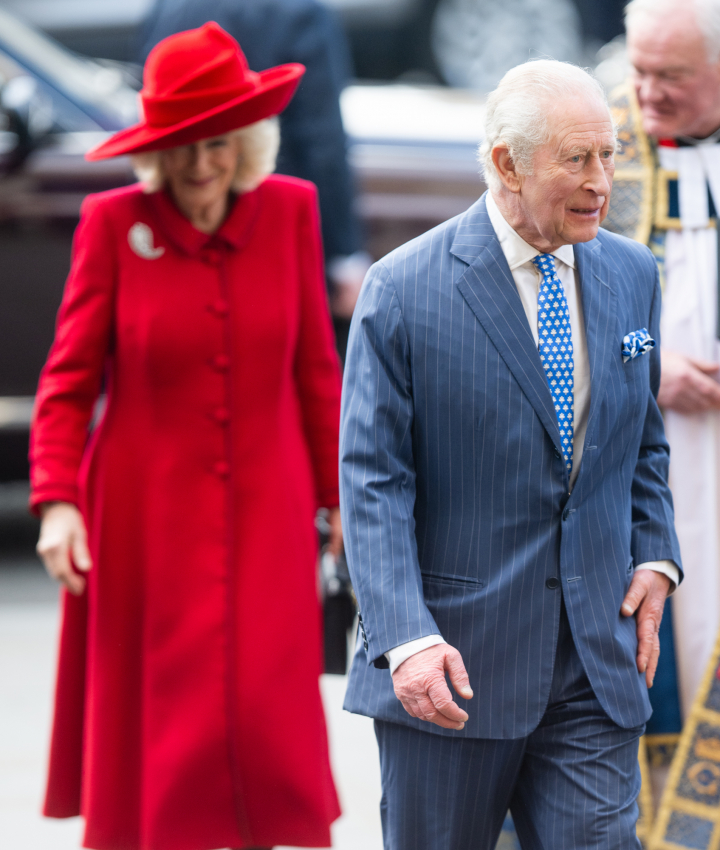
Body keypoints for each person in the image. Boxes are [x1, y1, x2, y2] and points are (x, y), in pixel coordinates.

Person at [340, 59, 682, 849]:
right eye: (578, 159)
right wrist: (407, 639)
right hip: (451, 671)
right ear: (505, 164)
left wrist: (655, 559)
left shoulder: (632, 273)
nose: (604, 179)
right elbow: (372, 484)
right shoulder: (403, 290)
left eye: (609, 152)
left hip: (596, 664)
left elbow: (643, 443)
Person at [31, 22, 342, 850]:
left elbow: (316, 369)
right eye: (181, 147)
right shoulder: (110, 225)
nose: (201, 166)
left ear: (247, 140)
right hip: (143, 516)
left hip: (269, 510)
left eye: (218, 143)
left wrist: (342, 500)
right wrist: (58, 503)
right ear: (155, 150)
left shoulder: (291, 212)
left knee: (264, 710)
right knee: (163, 715)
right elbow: (66, 384)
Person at [604, 0, 720, 725]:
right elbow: (533, 308)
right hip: (637, 465)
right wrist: (647, 368)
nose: (648, 93)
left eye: (671, 75)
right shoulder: (594, 140)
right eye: (639, 69)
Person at [140, 0, 368, 330]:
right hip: (272, 234)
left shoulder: (169, 7)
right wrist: (345, 253)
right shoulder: (298, 10)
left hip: (181, 229)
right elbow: (321, 140)